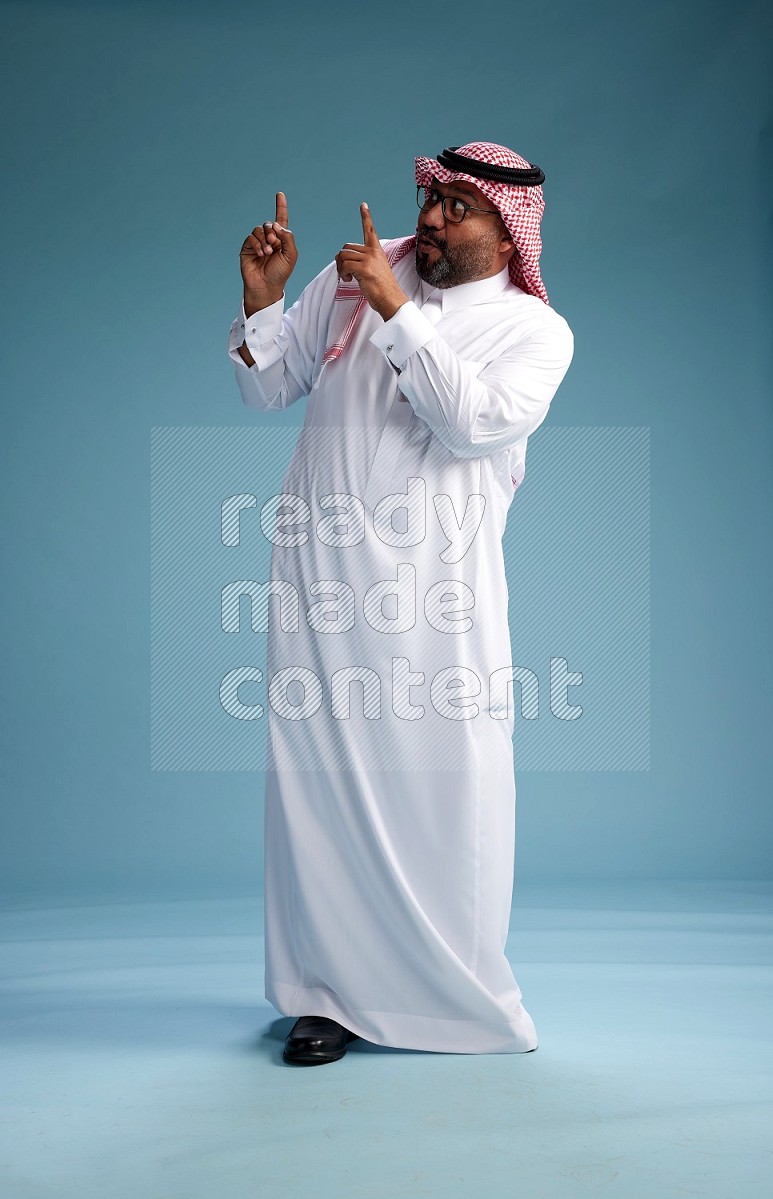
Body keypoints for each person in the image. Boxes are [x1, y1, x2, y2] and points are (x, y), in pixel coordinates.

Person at [227, 141, 574, 1066]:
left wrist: (394, 309)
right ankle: (325, 995)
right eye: (432, 198)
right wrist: (266, 298)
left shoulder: (534, 333)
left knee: (445, 788)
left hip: (435, 600)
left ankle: (449, 994)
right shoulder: (351, 283)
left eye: (459, 207)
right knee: (320, 791)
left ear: (508, 233)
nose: (431, 218)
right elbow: (267, 385)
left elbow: (471, 423)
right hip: (318, 582)